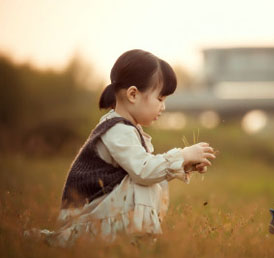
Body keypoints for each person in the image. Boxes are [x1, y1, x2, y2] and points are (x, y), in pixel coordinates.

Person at [26, 49, 216, 247]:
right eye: (160, 99)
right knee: (143, 180)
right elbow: (144, 170)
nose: (164, 107)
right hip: (85, 223)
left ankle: (135, 240)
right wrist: (182, 154)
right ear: (133, 94)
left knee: (152, 177)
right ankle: (134, 239)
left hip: (99, 217)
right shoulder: (117, 130)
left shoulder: (127, 129)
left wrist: (186, 164)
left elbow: (148, 169)